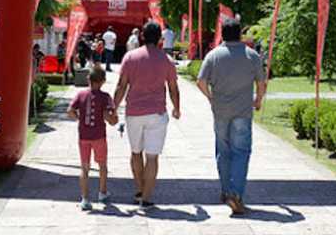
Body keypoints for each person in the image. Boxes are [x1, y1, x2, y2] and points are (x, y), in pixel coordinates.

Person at [196, 18, 267, 215]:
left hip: (220, 110)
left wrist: (210, 98)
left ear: (223, 33)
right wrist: (258, 100)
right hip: (243, 110)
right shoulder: (252, 55)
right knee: (241, 152)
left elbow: (200, 81)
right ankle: (236, 194)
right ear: (240, 34)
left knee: (223, 150)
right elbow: (261, 83)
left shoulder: (213, 55)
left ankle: (226, 190)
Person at [114, 21, 180, 208]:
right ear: (160, 38)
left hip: (134, 112)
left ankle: (139, 190)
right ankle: (147, 197)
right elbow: (173, 88)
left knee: (136, 153)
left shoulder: (130, 57)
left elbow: (121, 85)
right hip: (157, 113)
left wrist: (113, 107)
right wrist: (177, 108)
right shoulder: (167, 60)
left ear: (142, 36)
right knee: (152, 157)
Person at [67, 65, 118, 211]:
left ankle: (85, 199)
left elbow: (70, 111)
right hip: (99, 136)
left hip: (83, 136)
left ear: (88, 79)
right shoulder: (106, 97)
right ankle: (102, 192)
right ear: (103, 81)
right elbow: (110, 118)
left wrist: (78, 118)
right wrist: (112, 119)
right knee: (102, 165)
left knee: (84, 167)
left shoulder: (80, 95)